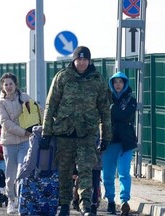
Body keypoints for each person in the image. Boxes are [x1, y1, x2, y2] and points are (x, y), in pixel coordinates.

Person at [41, 46, 111, 216]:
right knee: (64, 171)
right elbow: (51, 106)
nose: (81, 62)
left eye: (85, 59)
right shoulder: (63, 77)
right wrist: (46, 132)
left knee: (86, 170)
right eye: (79, 59)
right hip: (64, 132)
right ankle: (64, 205)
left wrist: (106, 136)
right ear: (73, 60)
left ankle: (85, 206)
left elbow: (105, 110)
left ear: (89, 61)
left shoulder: (97, 80)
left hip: (87, 133)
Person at [0, 72, 34, 214]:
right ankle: (11, 200)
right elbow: (5, 123)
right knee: (10, 175)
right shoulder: (0, 103)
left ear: (16, 84)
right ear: (2, 87)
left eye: (11, 83)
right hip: (9, 142)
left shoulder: (24, 97)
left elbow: (37, 112)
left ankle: (22, 200)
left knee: (22, 171)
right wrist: (24, 131)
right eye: (6, 84)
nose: (9, 86)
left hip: (25, 141)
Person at [102, 71, 137, 216]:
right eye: (115, 82)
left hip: (125, 142)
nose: (118, 84)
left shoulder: (131, 100)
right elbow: (104, 115)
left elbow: (124, 115)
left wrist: (112, 112)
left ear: (125, 84)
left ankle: (124, 201)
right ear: (111, 84)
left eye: (121, 82)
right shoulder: (105, 99)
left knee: (124, 173)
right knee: (108, 174)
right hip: (109, 141)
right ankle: (110, 200)